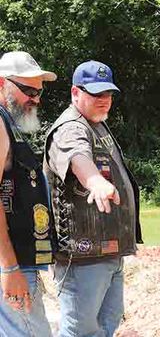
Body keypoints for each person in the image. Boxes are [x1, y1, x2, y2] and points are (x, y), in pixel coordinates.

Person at [44, 60, 142, 337]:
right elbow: (77, 156)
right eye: (96, 94)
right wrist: (95, 181)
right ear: (76, 93)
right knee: (81, 332)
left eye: (108, 94)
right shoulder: (70, 128)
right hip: (83, 256)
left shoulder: (95, 124)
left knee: (104, 328)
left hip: (108, 252)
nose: (105, 100)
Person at [0, 51, 57, 336]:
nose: (35, 98)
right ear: (1, 83)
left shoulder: (9, 125)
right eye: (27, 90)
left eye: (38, 92)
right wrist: (9, 268)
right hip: (10, 264)